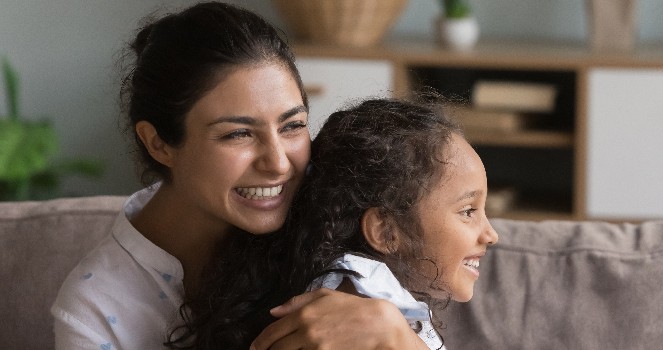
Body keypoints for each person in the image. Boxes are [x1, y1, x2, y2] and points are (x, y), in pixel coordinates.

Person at [50, 2, 426, 349]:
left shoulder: (337, 209)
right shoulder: (95, 309)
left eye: (292, 125)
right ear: (159, 143)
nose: (279, 163)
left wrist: (398, 336)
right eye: (238, 134)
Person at [183, 98, 500, 349]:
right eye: (468, 210)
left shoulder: (375, 302)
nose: (491, 234)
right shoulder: (352, 315)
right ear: (385, 231)